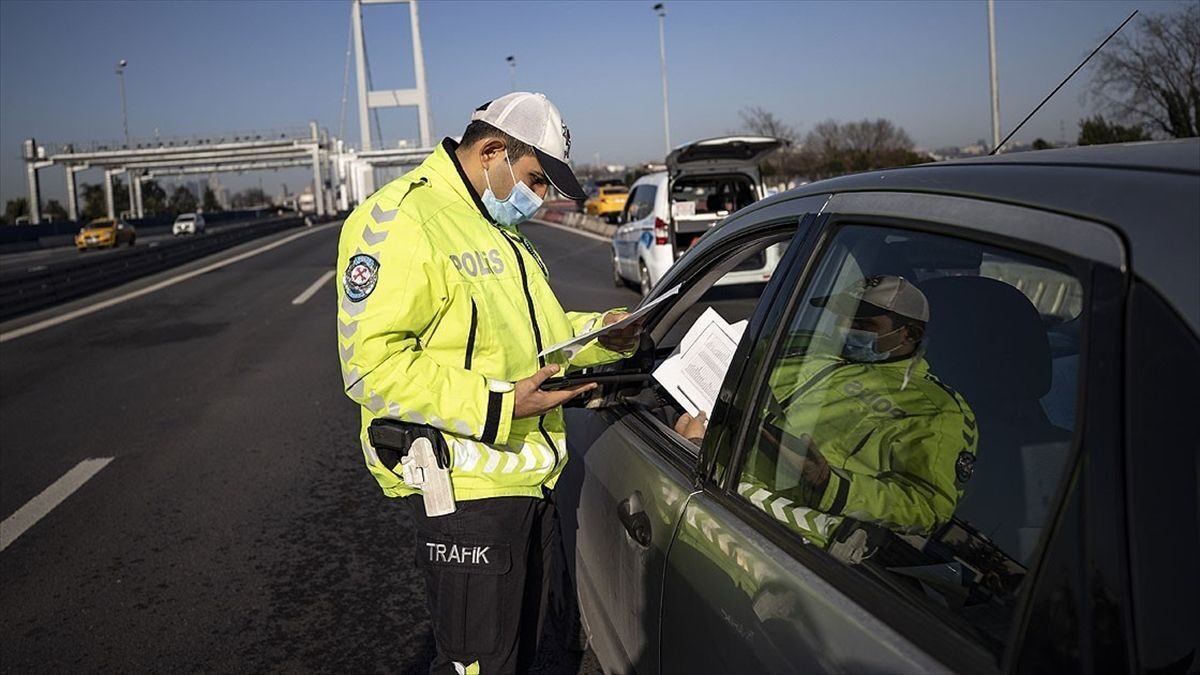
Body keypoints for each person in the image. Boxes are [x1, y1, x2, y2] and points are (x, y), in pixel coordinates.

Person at [336, 92, 639, 675]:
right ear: (493, 151)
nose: (541, 198)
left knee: (522, 659)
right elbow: (370, 367)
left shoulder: (497, 228)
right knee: (478, 667)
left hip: (532, 478)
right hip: (467, 489)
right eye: (535, 179)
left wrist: (604, 332)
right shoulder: (398, 220)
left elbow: (536, 340)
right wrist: (500, 403)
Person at [675, 275, 978, 553]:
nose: (844, 328)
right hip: (710, 483)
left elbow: (927, 508)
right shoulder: (803, 344)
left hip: (780, 540)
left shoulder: (938, 411)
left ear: (907, 334)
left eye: (862, 323)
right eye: (841, 316)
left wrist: (831, 485)